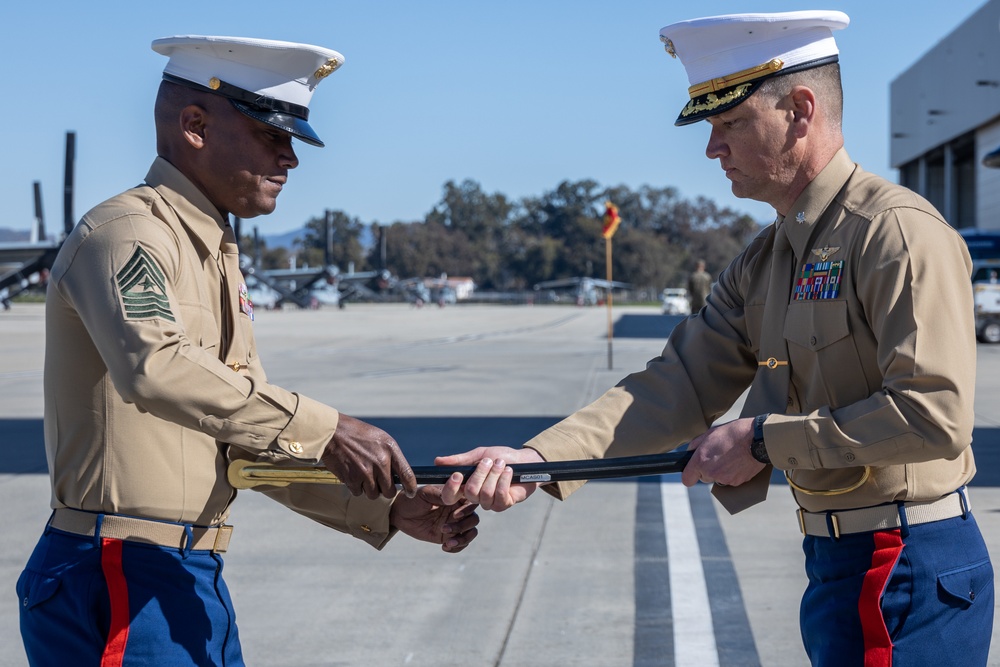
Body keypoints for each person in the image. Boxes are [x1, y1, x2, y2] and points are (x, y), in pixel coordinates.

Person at [439, 10, 993, 666]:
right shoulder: (766, 259)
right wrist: (537, 458)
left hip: (904, 569)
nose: (711, 147)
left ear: (801, 109)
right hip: (841, 565)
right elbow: (677, 383)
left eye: (729, 123)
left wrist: (762, 440)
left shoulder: (894, 233)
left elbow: (936, 417)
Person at [17, 35, 479, 667]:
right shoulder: (129, 235)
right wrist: (327, 427)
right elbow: (156, 367)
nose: (290, 159)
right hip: (121, 572)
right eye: (271, 135)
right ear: (195, 125)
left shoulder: (213, 252)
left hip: (182, 574)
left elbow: (246, 440)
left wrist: (390, 508)